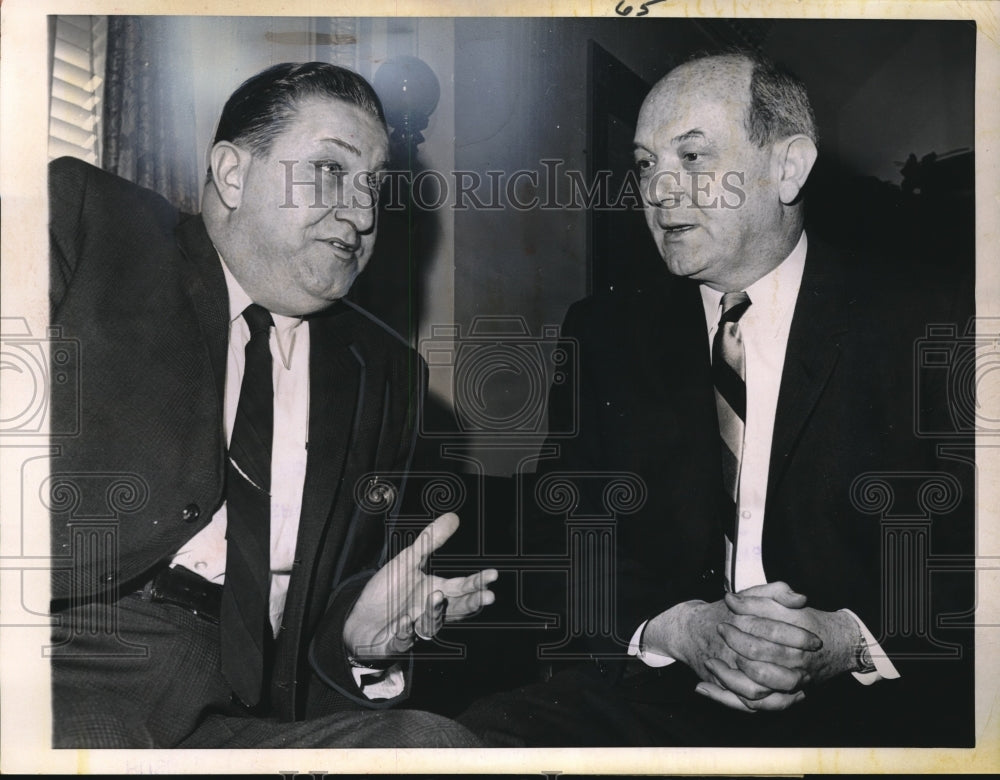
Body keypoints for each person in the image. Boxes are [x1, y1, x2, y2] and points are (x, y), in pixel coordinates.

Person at [458, 51, 974, 746]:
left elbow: (978, 550)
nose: (660, 189)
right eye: (644, 165)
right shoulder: (606, 332)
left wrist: (845, 639)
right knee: (455, 743)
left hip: (871, 707)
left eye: (692, 157)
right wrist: (679, 627)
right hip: (659, 690)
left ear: (788, 167)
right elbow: (564, 536)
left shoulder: (932, 320)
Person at [47, 61, 497, 748]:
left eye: (375, 187)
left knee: (440, 746)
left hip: (244, 713)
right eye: (330, 171)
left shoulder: (386, 376)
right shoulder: (91, 223)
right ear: (232, 174)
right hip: (60, 662)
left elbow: (323, 604)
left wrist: (359, 637)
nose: (363, 214)